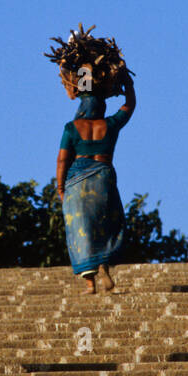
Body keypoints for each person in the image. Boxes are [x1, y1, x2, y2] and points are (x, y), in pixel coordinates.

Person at [56, 68, 136, 294]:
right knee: (106, 223)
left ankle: (90, 283)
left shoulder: (71, 128)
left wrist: (60, 186)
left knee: (80, 228)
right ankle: (104, 265)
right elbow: (129, 107)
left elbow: (62, 160)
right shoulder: (110, 125)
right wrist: (128, 85)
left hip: (76, 180)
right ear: (101, 107)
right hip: (103, 176)